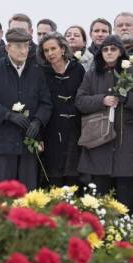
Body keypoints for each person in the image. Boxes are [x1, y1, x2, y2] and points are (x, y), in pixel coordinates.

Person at [0, 28, 52, 190]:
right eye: (18, 46)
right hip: (3, 144)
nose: (24, 50)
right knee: (4, 197)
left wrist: (38, 122)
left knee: (28, 195)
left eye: (26, 46)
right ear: (7, 48)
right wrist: (8, 115)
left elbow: (46, 103)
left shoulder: (36, 71)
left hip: (29, 144)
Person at [75, 35, 133, 210]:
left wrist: (126, 97)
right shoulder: (92, 74)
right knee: (99, 202)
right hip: (99, 144)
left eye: (113, 49)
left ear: (121, 52)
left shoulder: (130, 73)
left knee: (125, 200)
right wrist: (102, 100)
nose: (109, 52)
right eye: (105, 49)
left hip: (126, 145)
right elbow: (80, 101)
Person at [38, 32, 85, 188]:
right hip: (51, 131)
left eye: (53, 48)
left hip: (76, 131)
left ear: (63, 49)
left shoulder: (78, 69)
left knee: (74, 179)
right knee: (54, 180)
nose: (50, 53)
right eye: (46, 50)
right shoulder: (41, 73)